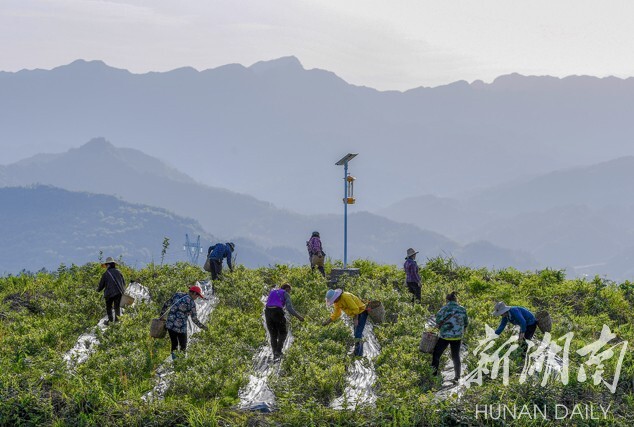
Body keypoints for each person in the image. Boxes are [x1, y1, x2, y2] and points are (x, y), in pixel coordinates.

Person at [161, 285, 208, 360]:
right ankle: (181, 365)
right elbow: (194, 319)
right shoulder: (191, 303)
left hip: (170, 325)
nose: (197, 298)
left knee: (174, 344)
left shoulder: (177, 294)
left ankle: (175, 362)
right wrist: (204, 327)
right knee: (183, 347)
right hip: (181, 328)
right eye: (197, 296)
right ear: (194, 294)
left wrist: (162, 316)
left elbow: (166, 304)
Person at [431, 292, 469, 383]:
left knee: (436, 355)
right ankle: (457, 377)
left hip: (445, 336)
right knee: (456, 356)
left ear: (447, 300)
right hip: (457, 336)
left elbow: (438, 320)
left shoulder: (444, 309)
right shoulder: (462, 309)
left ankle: (433, 375)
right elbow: (466, 323)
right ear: (456, 300)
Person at [322, 289, 368, 356]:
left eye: (333, 300)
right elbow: (337, 313)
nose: (334, 301)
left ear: (336, 296)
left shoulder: (346, 297)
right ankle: (358, 352)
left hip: (361, 312)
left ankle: (358, 354)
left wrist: (356, 319)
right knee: (356, 333)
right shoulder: (337, 302)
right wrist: (327, 322)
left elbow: (355, 308)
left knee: (358, 333)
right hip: (355, 314)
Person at [265, 283, 304, 360]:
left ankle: (275, 353)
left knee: (273, 334)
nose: (289, 293)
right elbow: (289, 308)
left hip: (267, 312)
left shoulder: (272, 291)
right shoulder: (285, 293)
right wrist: (299, 317)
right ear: (287, 289)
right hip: (277, 312)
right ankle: (278, 351)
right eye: (289, 291)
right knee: (283, 332)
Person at [96, 256, 125, 325]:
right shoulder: (119, 272)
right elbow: (123, 283)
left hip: (109, 294)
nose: (106, 266)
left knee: (109, 307)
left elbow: (101, 286)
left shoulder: (106, 274)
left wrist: (97, 290)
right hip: (119, 292)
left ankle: (110, 321)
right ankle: (117, 321)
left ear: (108, 265)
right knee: (117, 307)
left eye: (106, 265)